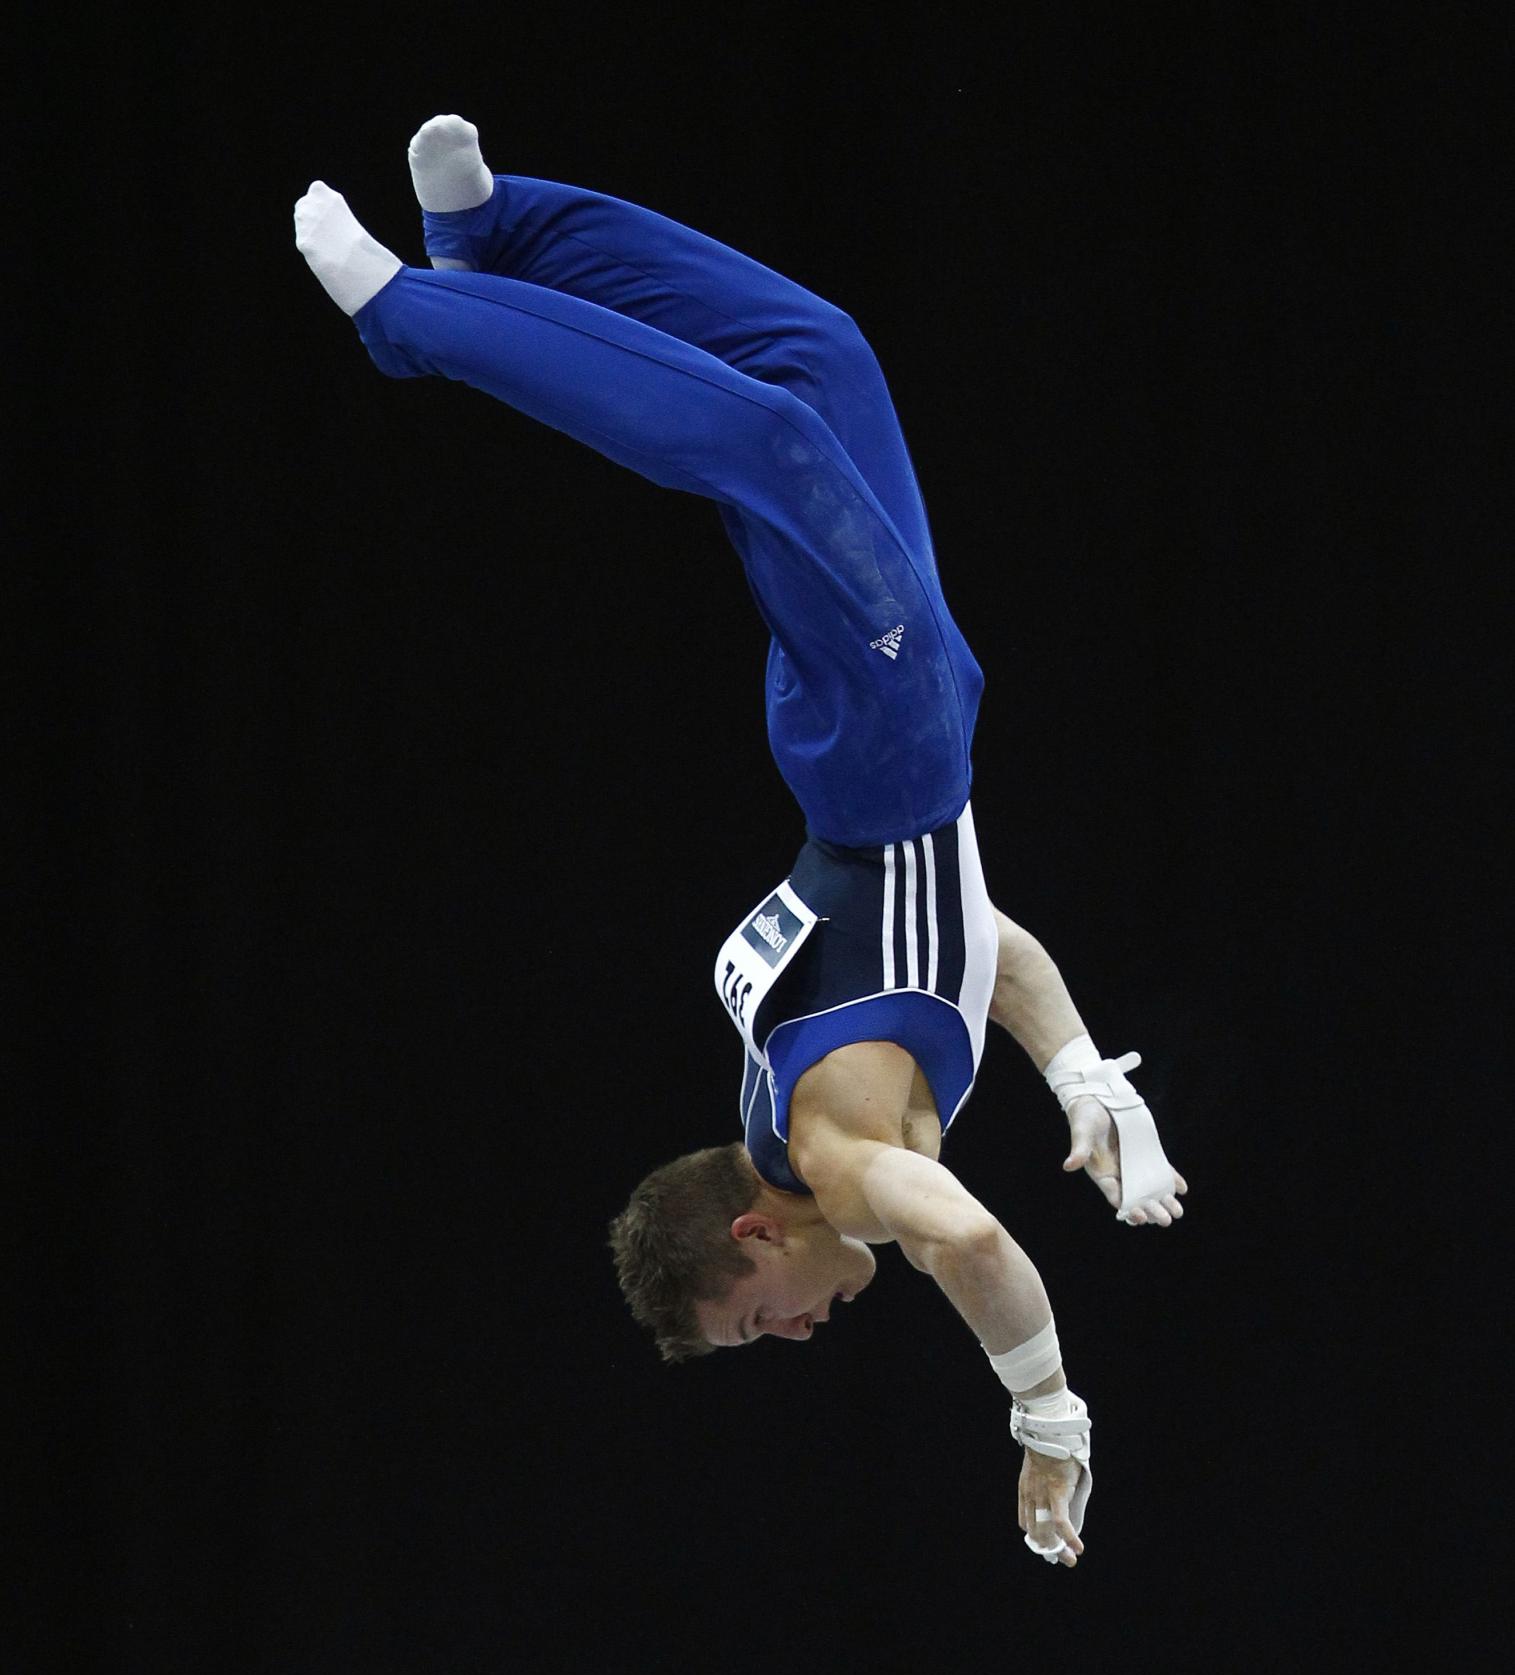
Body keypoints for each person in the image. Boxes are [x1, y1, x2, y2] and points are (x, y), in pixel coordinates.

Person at [293, 116, 1189, 1570]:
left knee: (764, 442)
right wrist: (1081, 1068)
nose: (804, 1333)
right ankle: (501, 236)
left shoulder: (836, 1165)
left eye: (760, 1320)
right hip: (880, 756)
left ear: (754, 1240)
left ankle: (414, 319)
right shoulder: (808, 1069)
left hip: (887, 745)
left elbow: (973, 1247)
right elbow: (976, 935)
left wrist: (1048, 1417)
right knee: (819, 362)